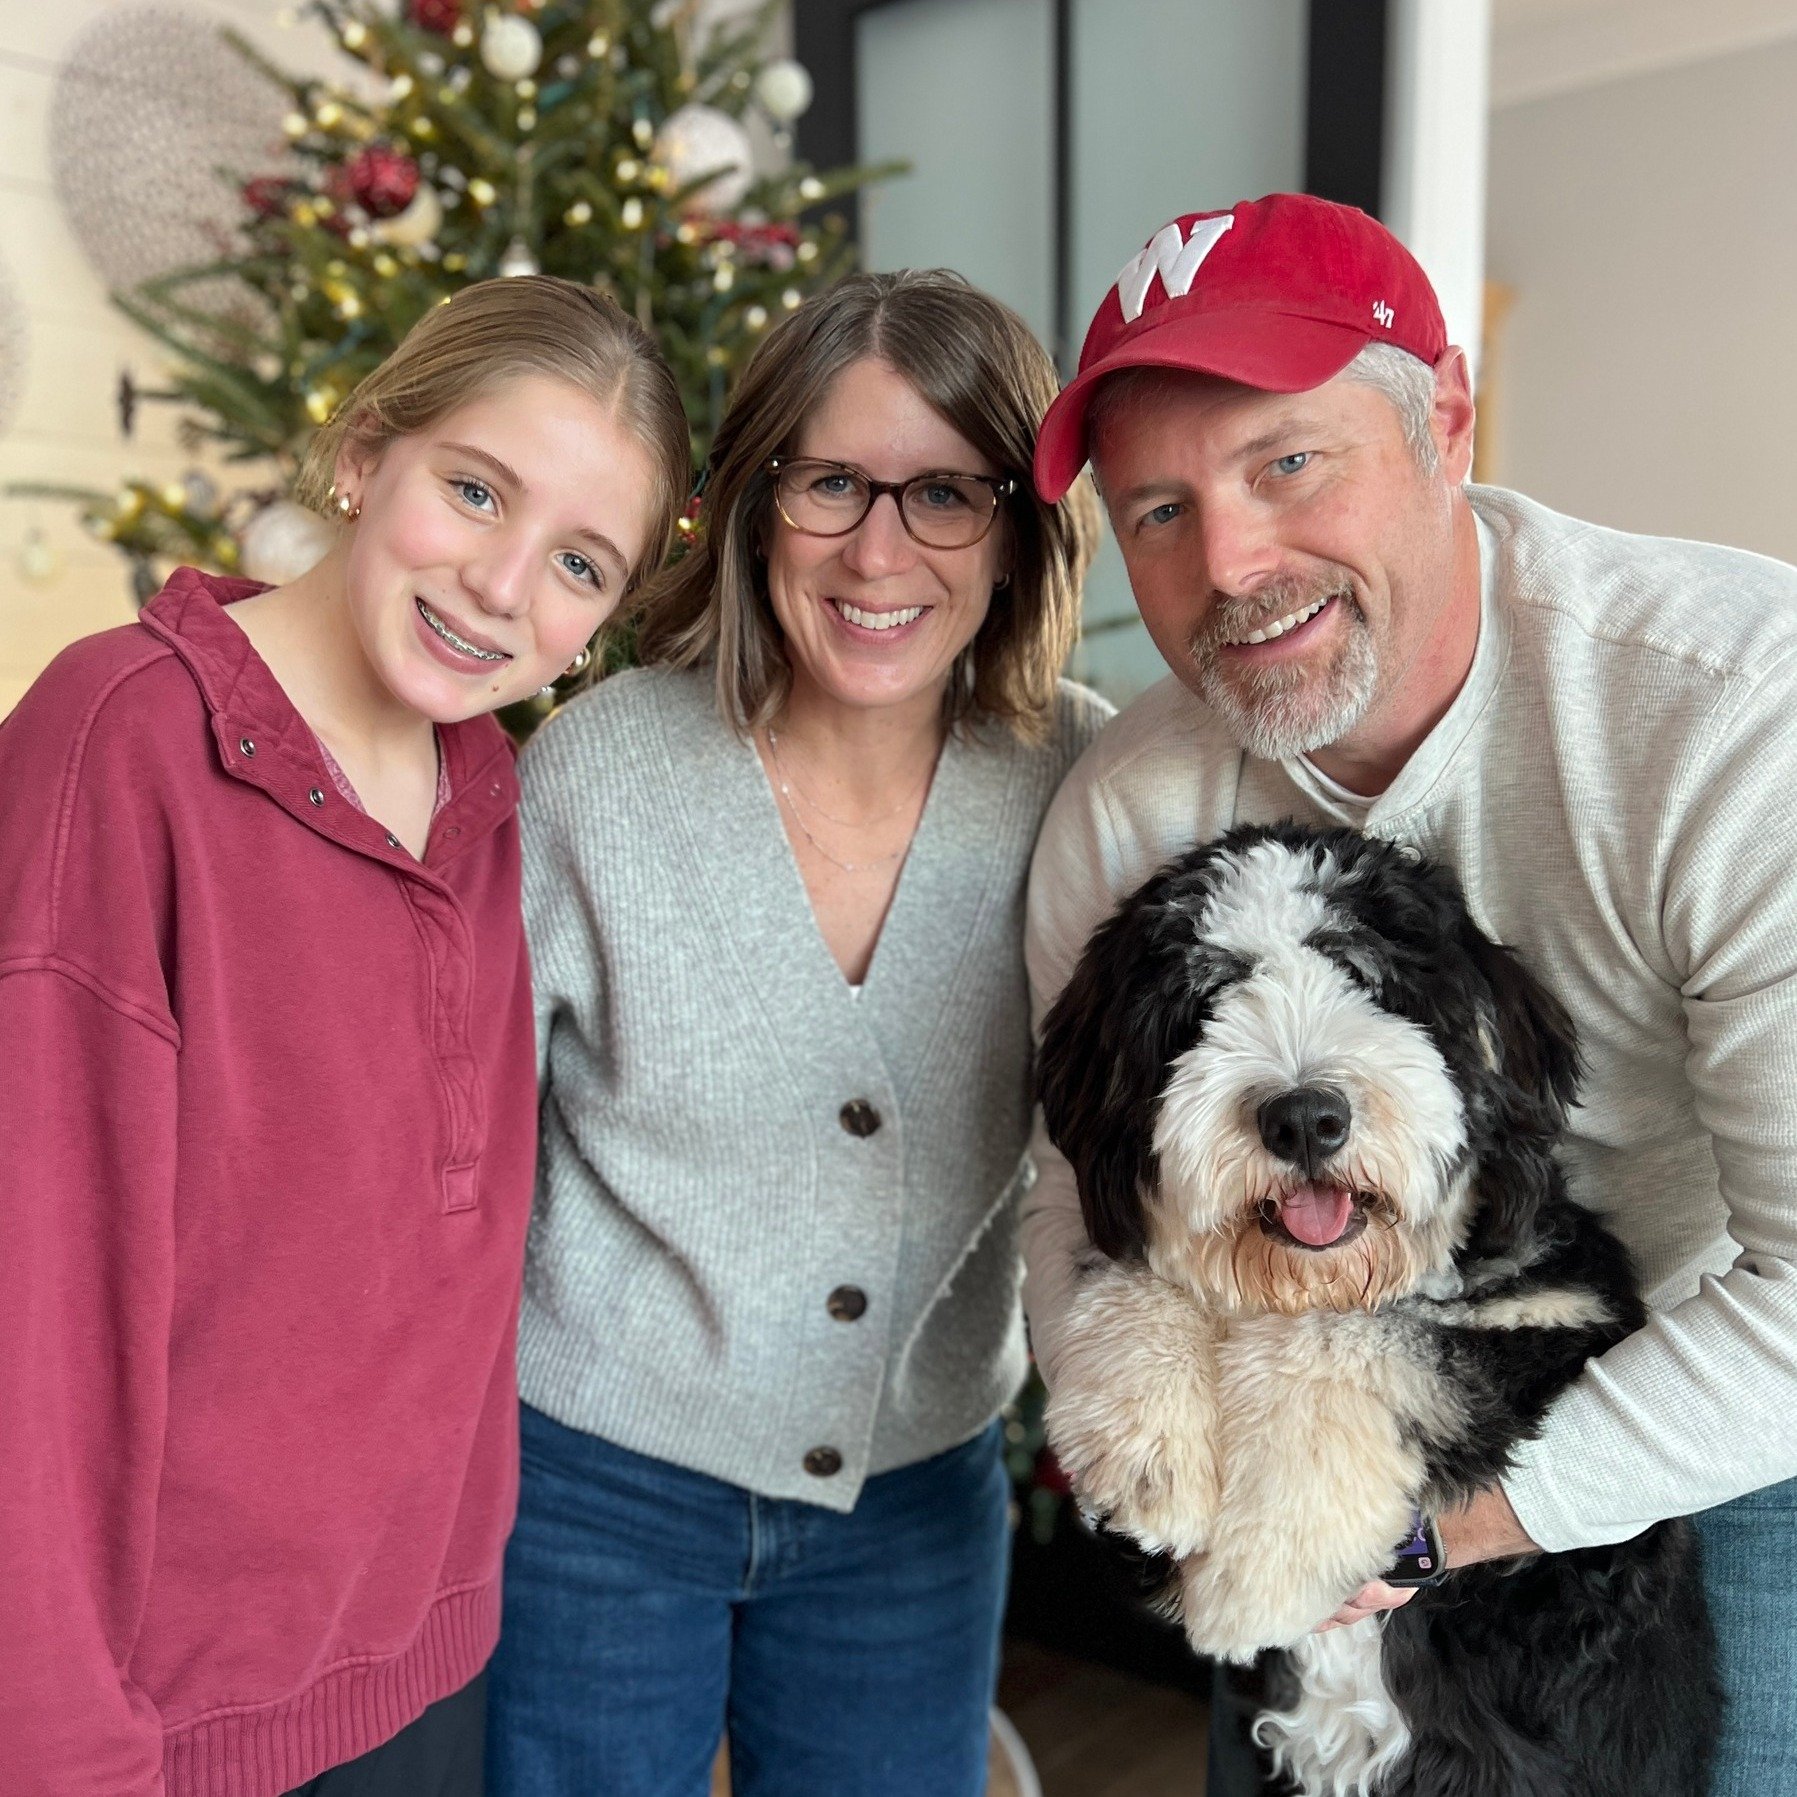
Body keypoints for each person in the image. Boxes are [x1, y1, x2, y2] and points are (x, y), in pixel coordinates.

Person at [1020, 191, 1797, 1794]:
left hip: (1733, 1383)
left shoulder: (1734, 716)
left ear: (1444, 419)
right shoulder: (1129, 805)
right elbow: (1071, 1186)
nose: (1230, 559)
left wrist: (1451, 1522)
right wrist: (1152, 1434)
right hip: (1289, 1400)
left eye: (1285, 463)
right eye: (1154, 510)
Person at [0, 275, 690, 1797]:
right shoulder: (119, 739)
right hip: (151, 1726)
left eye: (578, 561)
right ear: (363, 453)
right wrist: (56, 1742)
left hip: (422, 1674)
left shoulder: (491, 801)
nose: (505, 585)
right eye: (472, 489)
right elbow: (29, 1303)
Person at [484, 268, 1108, 1797]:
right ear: (756, 497)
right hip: (588, 1487)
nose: (878, 549)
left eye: (945, 492)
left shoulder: (1085, 783)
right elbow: (470, 1143)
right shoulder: (597, 771)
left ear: (1017, 525)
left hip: (911, 1503)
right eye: (831, 480)